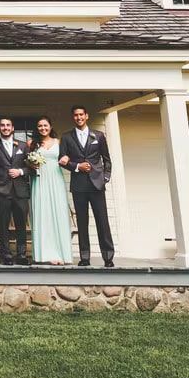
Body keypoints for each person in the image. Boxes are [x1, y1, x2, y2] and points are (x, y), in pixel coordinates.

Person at [59, 104, 115, 267]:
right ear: (73, 117)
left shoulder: (98, 135)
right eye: (76, 115)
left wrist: (105, 177)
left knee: (102, 221)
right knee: (82, 222)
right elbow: (62, 160)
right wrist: (77, 166)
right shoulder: (67, 137)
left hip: (97, 184)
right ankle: (85, 257)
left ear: (87, 116)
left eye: (81, 115)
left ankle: (108, 257)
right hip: (79, 185)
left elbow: (107, 159)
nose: (79, 117)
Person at [0, 117, 31, 266]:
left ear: (12, 128)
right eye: (2, 125)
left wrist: (20, 172)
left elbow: (31, 166)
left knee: (21, 224)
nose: (5, 128)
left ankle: (22, 254)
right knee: (3, 226)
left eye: (8, 125)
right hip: (2, 191)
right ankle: (6, 255)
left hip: (20, 191)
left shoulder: (23, 146)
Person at [27, 116, 71, 265]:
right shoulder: (32, 144)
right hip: (39, 181)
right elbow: (25, 162)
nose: (43, 128)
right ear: (37, 128)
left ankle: (61, 254)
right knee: (42, 214)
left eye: (45, 125)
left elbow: (67, 159)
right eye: (39, 126)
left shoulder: (59, 143)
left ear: (50, 127)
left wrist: (67, 160)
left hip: (55, 180)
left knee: (57, 214)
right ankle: (43, 254)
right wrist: (31, 165)